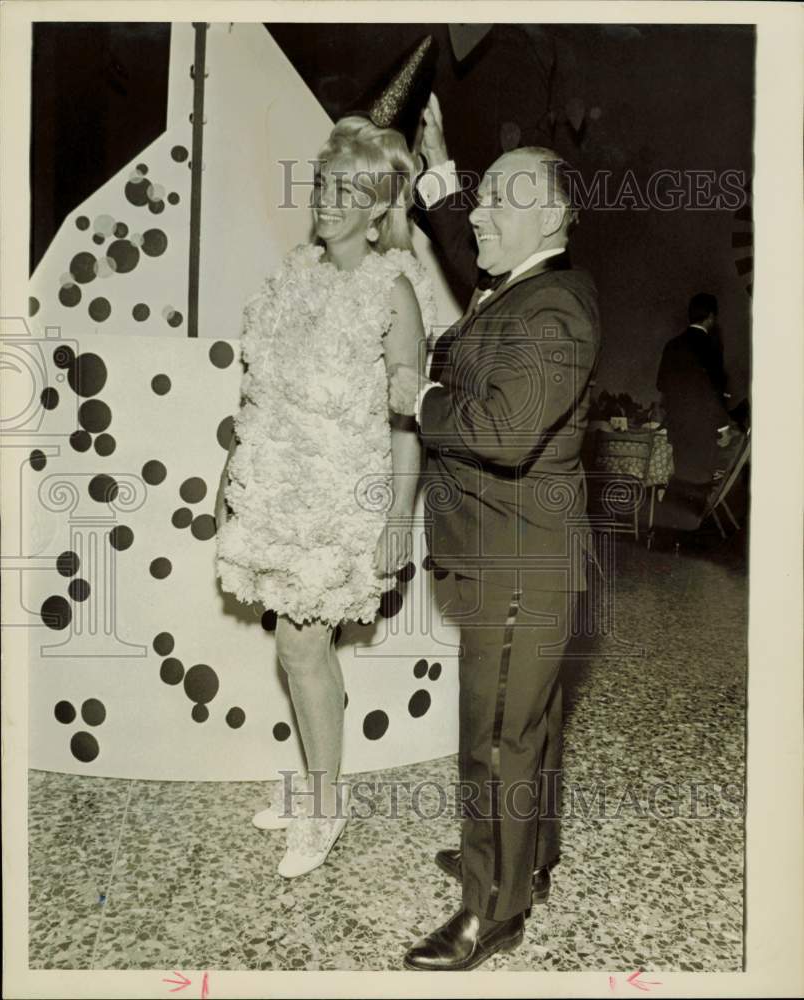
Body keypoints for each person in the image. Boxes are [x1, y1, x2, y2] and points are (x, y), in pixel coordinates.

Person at [389, 94, 601, 970]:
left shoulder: (552, 311)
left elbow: (507, 432)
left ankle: (492, 910)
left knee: (491, 740)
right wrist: (442, 172)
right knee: (531, 728)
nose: (479, 210)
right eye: (478, 198)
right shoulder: (519, 287)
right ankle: (526, 860)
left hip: (516, 563)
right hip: (517, 557)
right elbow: (460, 237)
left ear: (550, 215)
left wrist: (420, 396)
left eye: (500, 197)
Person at [214, 115, 434, 878]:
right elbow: (258, 399)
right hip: (280, 492)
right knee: (302, 651)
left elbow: (409, 422)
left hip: (346, 498)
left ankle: (325, 806)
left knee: (300, 647)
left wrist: (399, 519)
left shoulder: (394, 292)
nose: (329, 200)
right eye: (325, 183)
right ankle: (316, 788)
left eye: (351, 189)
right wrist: (233, 484)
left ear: (379, 207)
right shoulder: (292, 277)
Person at [655, 292, 739, 529]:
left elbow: (661, 384)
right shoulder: (711, 348)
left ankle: (667, 532)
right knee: (701, 480)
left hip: (678, 426)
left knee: (681, 475)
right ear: (711, 317)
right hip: (704, 428)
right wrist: (723, 427)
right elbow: (716, 393)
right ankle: (686, 534)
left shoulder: (672, 345)